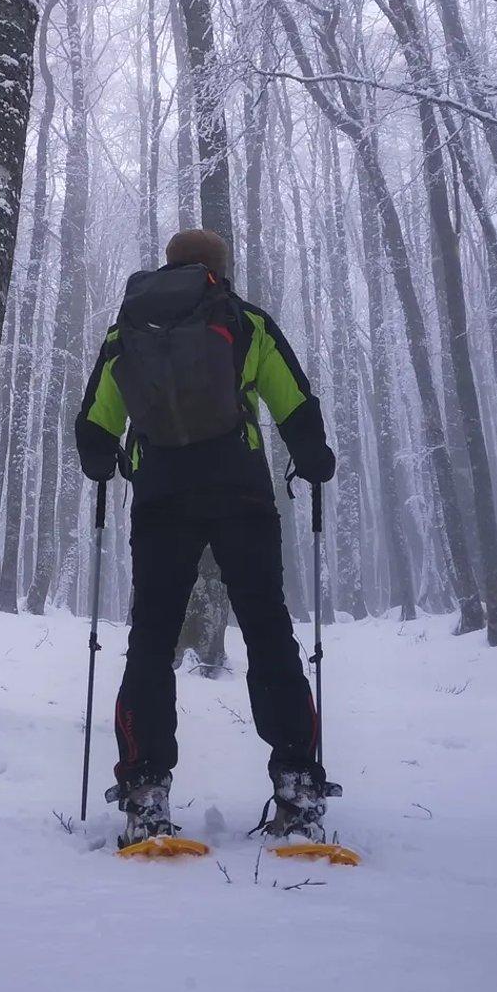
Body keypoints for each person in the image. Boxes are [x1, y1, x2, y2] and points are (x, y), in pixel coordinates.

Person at [75, 228, 337, 848]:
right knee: (268, 629)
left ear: (169, 267)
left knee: (152, 640)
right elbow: (295, 405)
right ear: (221, 270)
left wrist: (103, 461)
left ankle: (145, 790)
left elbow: (93, 429)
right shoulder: (246, 322)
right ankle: (297, 787)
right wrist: (314, 458)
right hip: (239, 490)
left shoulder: (127, 330)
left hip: (161, 495)